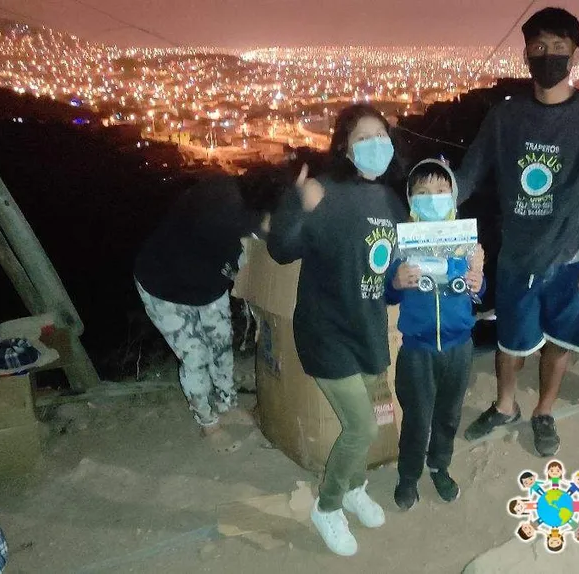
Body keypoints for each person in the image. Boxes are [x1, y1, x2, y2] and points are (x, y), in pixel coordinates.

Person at [456, 7, 579, 457]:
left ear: (576, 54)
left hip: (572, 255)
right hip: (518, 254)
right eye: (539, 47)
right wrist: (431, 198)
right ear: (526, 53)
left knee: (560, 342)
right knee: (510, 341)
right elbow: (470, 173)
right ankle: (505, 405)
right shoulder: (506, 116)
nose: (548, 55)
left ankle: (544, 411)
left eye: (559, 47)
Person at [267, 104, 407, 557]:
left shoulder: (390, 201)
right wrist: (297, 203)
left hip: (367, 328)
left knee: (365, 422)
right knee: (362, 427)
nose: (375, 145)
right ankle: (327, 507)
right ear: (345, 147)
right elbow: (282, 249)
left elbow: (390, 271)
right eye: (363, 138)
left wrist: (407, 279)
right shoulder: (322, 190)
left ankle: (354, 487)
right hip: (326, 331)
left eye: (381, 135)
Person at [133, 168, 281, 450]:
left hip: (207, 284)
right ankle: (208, 423)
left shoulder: (242, 210)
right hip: (165, 288)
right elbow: (249, 255)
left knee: (221, 341)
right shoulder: (222, 212)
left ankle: (227, 405)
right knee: (195, 354)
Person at [385, 159, 485, 510]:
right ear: (411, 200)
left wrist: (478, 281)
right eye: (423, 192)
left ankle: (439, 466)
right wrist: (396, 282)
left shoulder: (467, 243)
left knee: (449, 415)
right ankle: (408, 476)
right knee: (416, 418)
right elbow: (389, 294)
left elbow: (478, 292)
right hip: (417, 350)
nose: (433, 198)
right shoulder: (402, 244)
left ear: (453, 196)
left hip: (459, 347)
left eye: (441, 191)